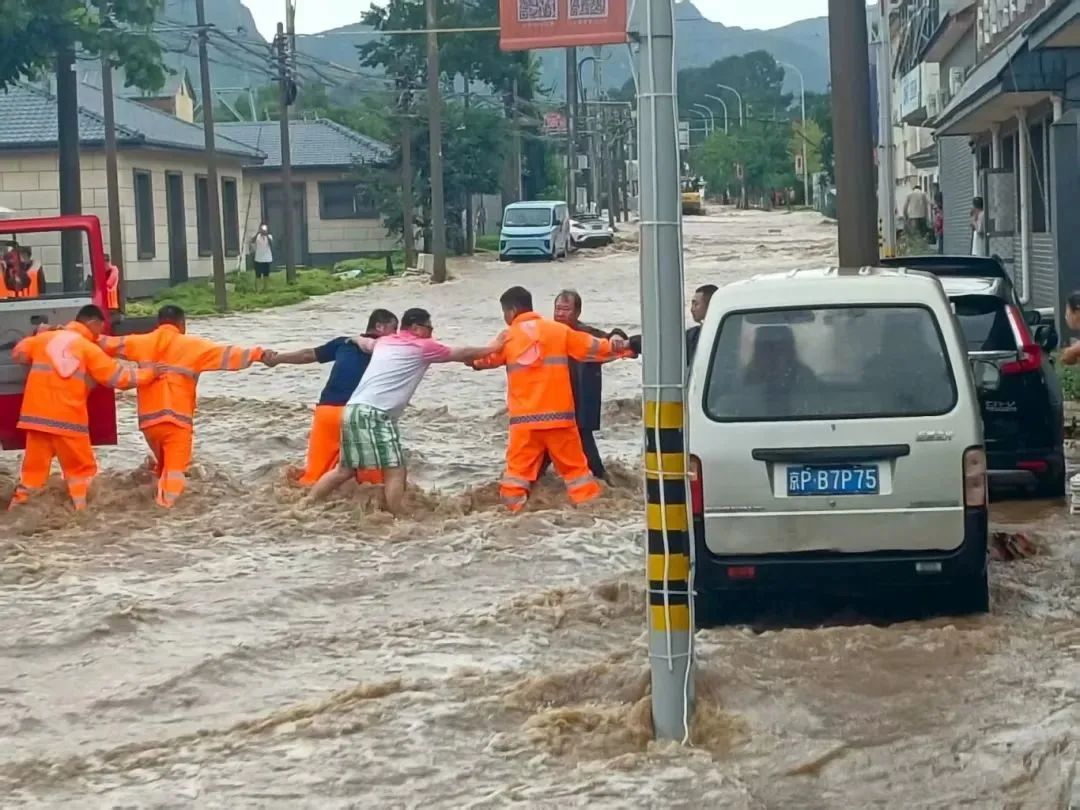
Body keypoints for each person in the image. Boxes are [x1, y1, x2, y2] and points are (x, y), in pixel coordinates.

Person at [309, 308, 502, 514]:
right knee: (395, 470)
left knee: (344, 470)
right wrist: (495, 346)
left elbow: (365, 343)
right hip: (376, 414)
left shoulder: (385, 342)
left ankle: (307, 503)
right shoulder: (422, 346)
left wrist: (353, 339)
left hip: (353, 409)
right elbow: (463, 353)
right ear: (417, 328)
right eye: (429, 327)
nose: (432, 332)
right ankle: (397, 518)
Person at [471, 286, 633, 513]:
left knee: (516, 477)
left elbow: (483, 359)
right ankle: (593, 513)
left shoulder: (507, 337)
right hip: (560, 421)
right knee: (577, 474)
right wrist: (627, 348)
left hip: (525, 424)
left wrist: (468, 359)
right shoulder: (558, 331)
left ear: (512, 311)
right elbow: (597, 348)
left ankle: (511, 516)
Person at [96, 305, 269, 508]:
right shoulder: (193, 346)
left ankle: (150, 501)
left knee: (163, 468)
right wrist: (260, 354)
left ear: (158, 323)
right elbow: (229, 355)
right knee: (175, 475)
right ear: (182, 324)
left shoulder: (140, 342)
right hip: (177, 423)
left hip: (149, 424)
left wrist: (71, 333)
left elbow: (104, 343)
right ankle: (166, 511)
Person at [9, 305, 160, 511]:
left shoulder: (44, 340)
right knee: (81, 474)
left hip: (36, 420)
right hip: (68, 423)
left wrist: (38, 334)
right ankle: (81, 514)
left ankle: (18, 510)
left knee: (32, 476)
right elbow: (120, 378)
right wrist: (150, 373)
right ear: (92, 323)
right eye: (100, 328)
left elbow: (18, 354)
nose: (100, 335)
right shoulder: (87, 349)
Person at [265, 308, 399, 486]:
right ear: (380, 326)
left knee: (314, 476)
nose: (397, 334)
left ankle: (301, 500)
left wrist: (276, 359)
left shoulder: (343, 343)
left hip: (327, 412)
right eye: (394, 328)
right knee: (372, 483)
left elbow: (307, 355)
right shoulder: (390, 350)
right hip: (360, 413)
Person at [537, 290, 616, 481]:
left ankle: (603, 483)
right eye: (557, 309)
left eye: (566, 310)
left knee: (584, 443)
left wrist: (619, 336)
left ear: (577, 312)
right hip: (552, 404)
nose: (560, 314)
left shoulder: (587, 334)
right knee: (544, 448)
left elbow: (612, 341)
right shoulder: (546, 333)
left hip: (580, 402)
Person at [628, 283, 717, 365]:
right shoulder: (697, 334)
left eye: (696, 304)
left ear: (710, 305)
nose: (692, 309)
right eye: (692, 304)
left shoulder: (698, 335)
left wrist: (631, 343)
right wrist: (632, 342)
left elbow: (666, 347)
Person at [250, 223, 274, 292]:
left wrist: (266, 235)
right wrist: (258, 233)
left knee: (266, 274)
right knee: (258, 275)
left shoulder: (269, 236)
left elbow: (271, 244)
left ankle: (266, 288)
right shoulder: (257, 236)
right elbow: (252, 241)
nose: (263, 230)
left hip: (267, 258)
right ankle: (258, 289)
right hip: (258, 259)